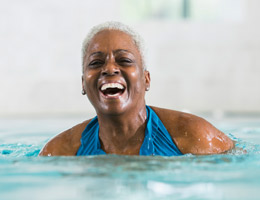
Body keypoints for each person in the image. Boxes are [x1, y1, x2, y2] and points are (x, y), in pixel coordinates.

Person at [39, 22, 234, 156]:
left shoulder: (195, 137)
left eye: (124, 60)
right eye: (96, 62)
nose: (109, 69)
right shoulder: (59, 151)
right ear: (83, 83)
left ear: (146, 79)